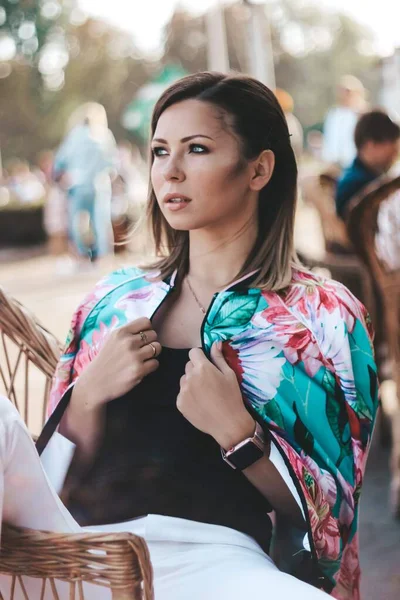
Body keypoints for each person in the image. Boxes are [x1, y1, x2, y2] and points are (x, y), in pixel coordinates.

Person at [0, 73, 378, 600]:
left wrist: (240, 437)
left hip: (220, 567)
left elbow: (332, 520)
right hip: (81, 554)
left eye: (196, 149)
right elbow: (48, 483)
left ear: (259, 169)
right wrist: (85, 397)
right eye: (158, 151)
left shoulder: (321, 315)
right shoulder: (113, 300)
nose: (169, 171)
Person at [53, 103, 118, 266]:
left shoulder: (74, 135)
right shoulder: (105, 134)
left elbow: (60, 161)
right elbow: (113, 164)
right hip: (100, 185)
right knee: (101, 221)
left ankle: (81, 255)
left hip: (78, 184)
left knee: (76, 222)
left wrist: (59, 177)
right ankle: (103, 256)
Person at [335, 110, 400, 219]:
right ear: (371, 145)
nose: (395, 154)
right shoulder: (356, 184)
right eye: (393, 145)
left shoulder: (360, 176)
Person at [322, 75, 367, 169]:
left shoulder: (362, 114)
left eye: (348, 92)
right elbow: (330, 139)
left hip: (356, 164)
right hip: (335, 163)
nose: (345, 95)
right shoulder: (334, 114)